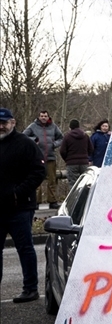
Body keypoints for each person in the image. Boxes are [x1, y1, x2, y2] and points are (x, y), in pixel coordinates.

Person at [0, 107, 47, 303]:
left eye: (5, 122)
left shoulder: (26, 144)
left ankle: (30, 289)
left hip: (20, 207)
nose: (1, 126)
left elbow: (39, 172)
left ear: (13, 122)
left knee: (25, 248)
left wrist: (18, 192)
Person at [23, 109, 63, 209]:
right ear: (39, 117)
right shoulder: (33, 126)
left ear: (48, 117)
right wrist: (34, 140)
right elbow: (23, 136)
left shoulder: (53, 126)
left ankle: (52, 201)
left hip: (50, 156)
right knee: (37, 180)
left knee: (52, 180)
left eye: (45, 116)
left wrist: (54, 144)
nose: (43, 118)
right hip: (37, 157)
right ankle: (36, 201)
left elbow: (61, 138)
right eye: (42, 116)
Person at [59, 119, 93, 188]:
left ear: (70, 127)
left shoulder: (67, 136)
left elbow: (62, 151)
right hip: (84, 162)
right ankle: (84, 198)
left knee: (73, 184)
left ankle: (74, 198)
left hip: (72, 163)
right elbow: (91, 149)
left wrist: (67, 159)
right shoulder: (85, 136)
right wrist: (86, 157)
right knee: (85, 183)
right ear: (78, 126)